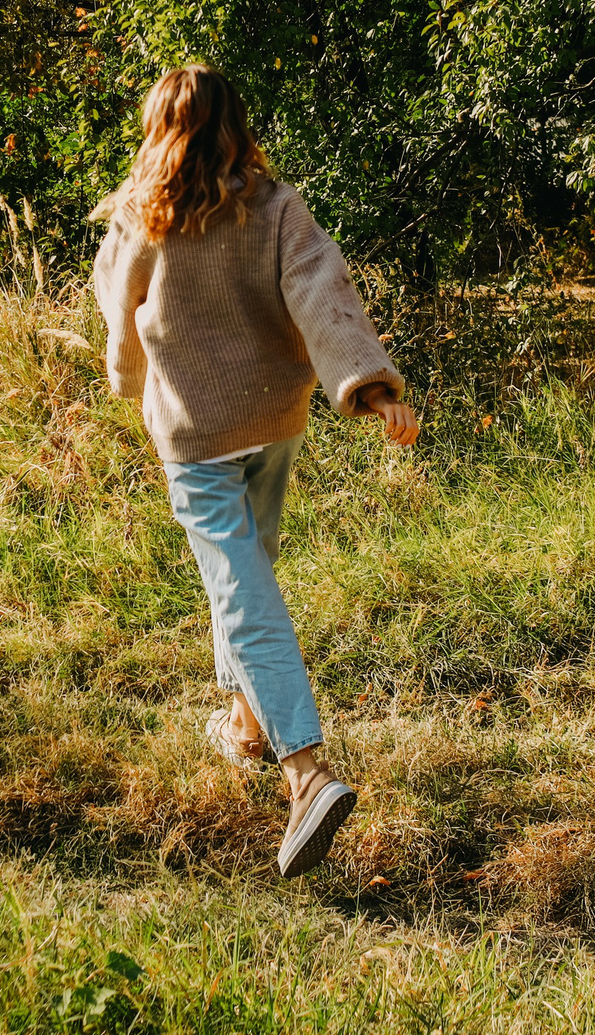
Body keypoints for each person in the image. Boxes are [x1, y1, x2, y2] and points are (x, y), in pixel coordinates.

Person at [93, 64, 421, 877]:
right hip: (274, 420)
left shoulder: (144, 211)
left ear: (159, 128)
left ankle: (305, 772)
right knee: (248, 571)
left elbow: (117, 307)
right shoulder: (276, 206)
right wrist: (370, 385)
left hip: (195, 432)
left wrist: (128, 377)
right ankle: (245, 725)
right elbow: (322, 292)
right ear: (237, 125)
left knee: (242, 589)